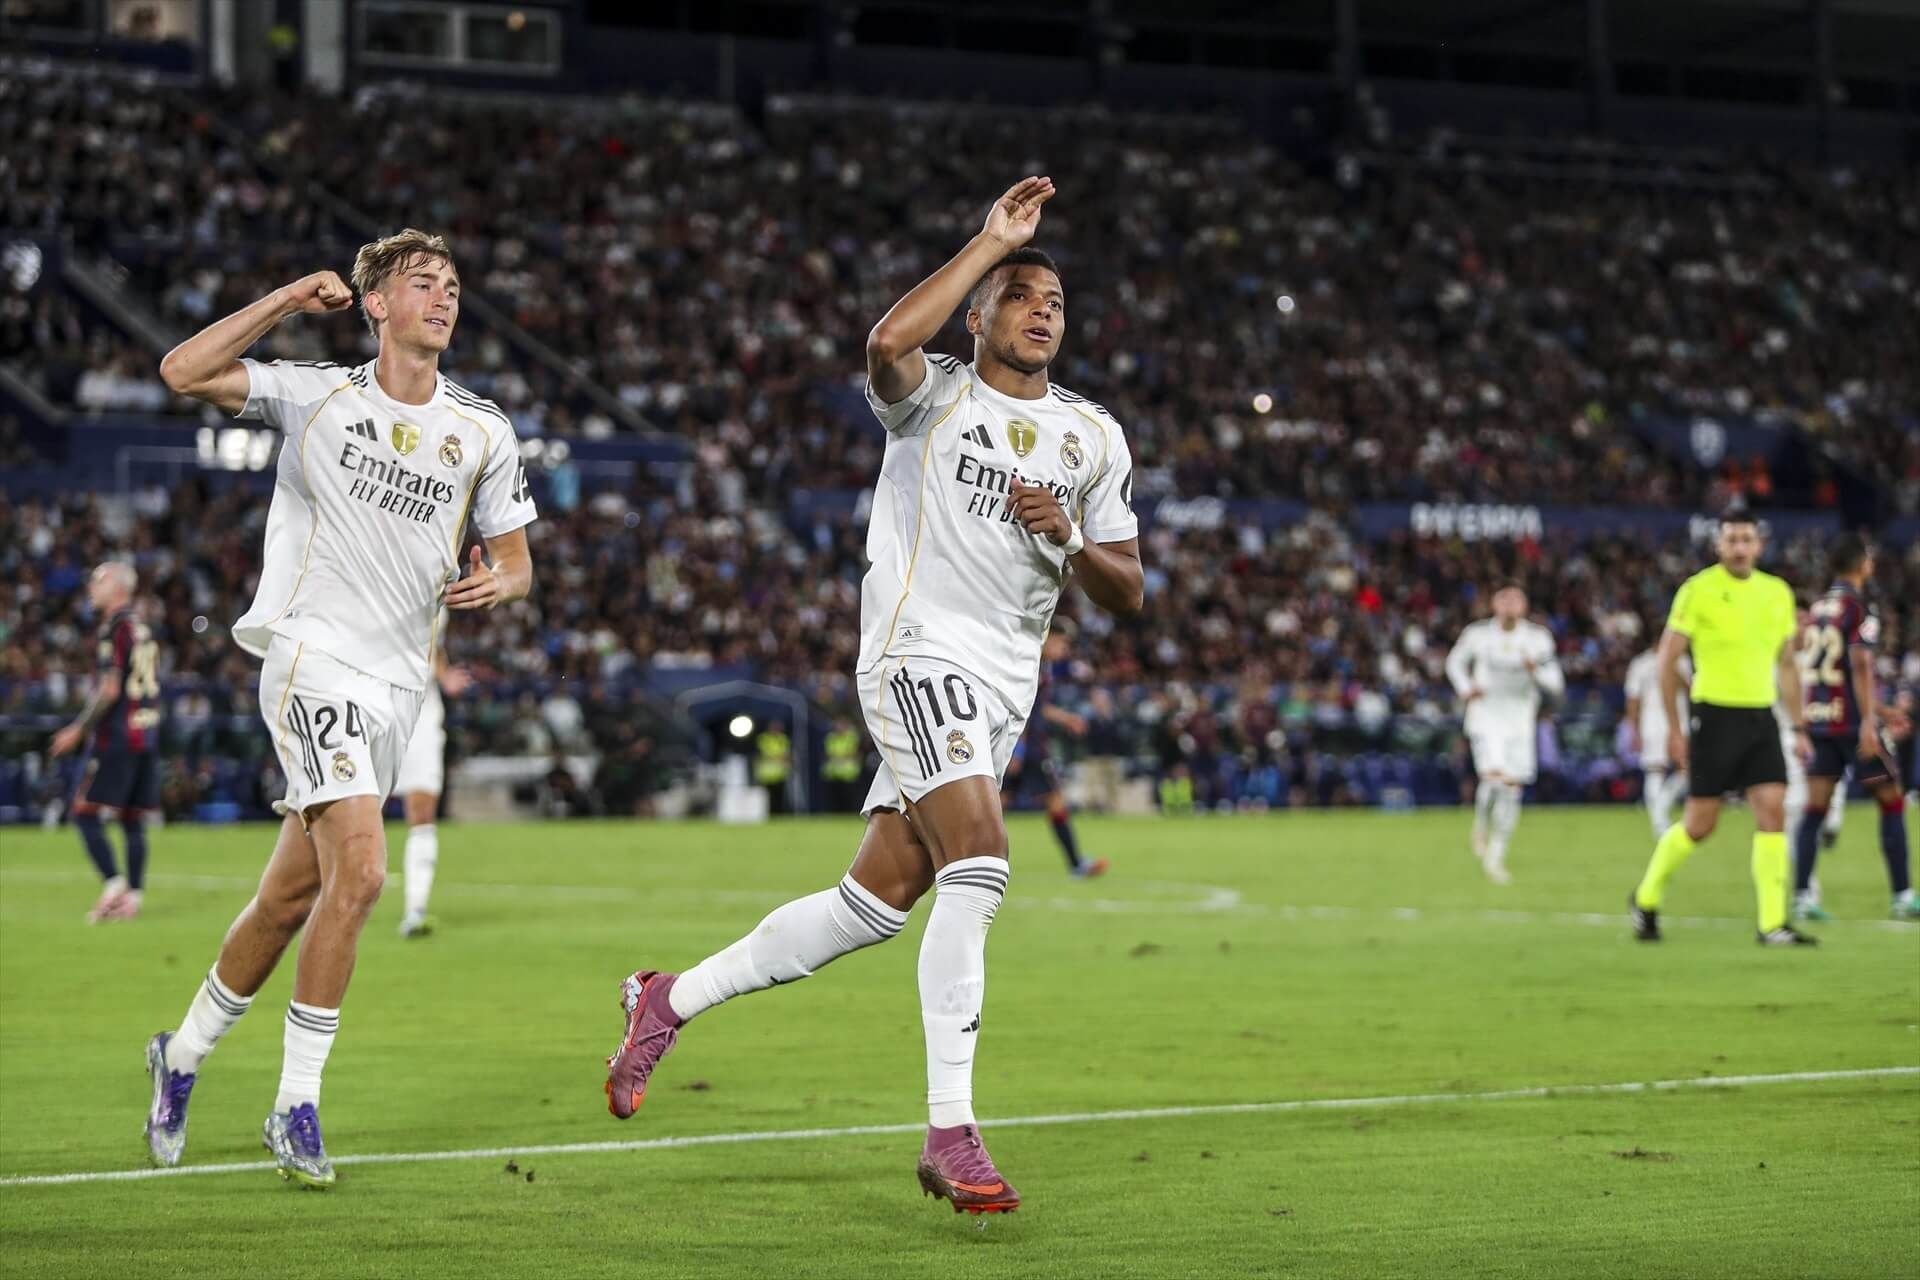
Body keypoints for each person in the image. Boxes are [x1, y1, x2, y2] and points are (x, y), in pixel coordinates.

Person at [602, 176, 1144, 1216]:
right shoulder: (937, 392)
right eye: (1020, 293)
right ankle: (951, 1129)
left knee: (871, 906)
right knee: (979, 866)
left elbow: (1127, 590)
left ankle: (665, 998)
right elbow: (884, 342)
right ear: (980, 309)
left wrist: (1067, 536)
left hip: (1002, 685)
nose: (1041, 309)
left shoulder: (1094, 438)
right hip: (915, 653)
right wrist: (989, 242)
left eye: (1056, 300)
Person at [142, 229, 537, 1186]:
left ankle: (181, 1057)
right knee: (361, 872)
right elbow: (183, 370)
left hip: (399, 686)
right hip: (311, 659)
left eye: (452, 283)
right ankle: (297, 1106)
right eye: (422, 283)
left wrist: (503, 586)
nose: (444, 297)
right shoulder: (319, 396)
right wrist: (284, 298)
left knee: (289, 900)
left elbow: (518, 563)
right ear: (376, 304)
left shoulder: (482, 428)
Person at [1629, 510, 1812, 946]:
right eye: (1731, 540)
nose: (1740, 547)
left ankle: (1772, 924)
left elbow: (1786, 665)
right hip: (1713, 716)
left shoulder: (1777, 593)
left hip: (1761, 716)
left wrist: (1799, 724)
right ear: (1719, 546)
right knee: (1699, 824)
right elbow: (1666, 660)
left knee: (1773, 811)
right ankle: (1646, 897)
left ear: (1759, 545)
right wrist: (1676, 729)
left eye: (1747, 539)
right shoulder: (1698, 590)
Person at [1792, 536, 1917, 921]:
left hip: (1821, 719)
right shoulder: (1859, 607)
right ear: (1862, 564)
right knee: (1892, 800)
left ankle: (1802, 897)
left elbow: (1835, 675)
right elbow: (1860, 665)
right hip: (1851, 726)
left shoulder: (1817, 609)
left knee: (1814, 810)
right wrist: (1869, 721)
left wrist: (1879, 709)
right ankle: (1902, 895)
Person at [48, 561, 163, 922]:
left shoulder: (114, 628)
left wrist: (78, 730)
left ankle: (114, 886)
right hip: (146, 733)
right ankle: (135, 897)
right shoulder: (143, 627)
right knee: (132, 819)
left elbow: (110, 688)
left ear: (117, 587)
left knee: (83, 812)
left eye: (97, 581)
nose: (91, 588)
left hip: (117, 737)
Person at [1444, 584, 1563, 885]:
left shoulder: (1537, 639)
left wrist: (1534, 670)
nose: (1510, 604)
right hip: (1486, 715)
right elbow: (1454, 662)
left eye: (1516, 599)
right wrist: (1465, 687)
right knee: (1495, 778)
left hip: (1520, 720)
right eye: (1504, 598)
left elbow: (1556, 684)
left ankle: (1496, 856)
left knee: (1512, 788)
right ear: (1494, 603)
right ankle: (1482, 823)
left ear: (1524, 605)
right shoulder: (1478, 634)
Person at [1002, 625, 1108, 878]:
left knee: (997, 804)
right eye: (1062, 643)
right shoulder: (1029, 665)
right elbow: (1020, 708)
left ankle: (958, 859)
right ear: (1047, 638)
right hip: (1029, 749)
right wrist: (1019, 749)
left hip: (1023, 745)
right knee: (1054, 800)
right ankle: (1076, 864)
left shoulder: (1039, 666)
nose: (1064, 650)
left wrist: (1066, 718)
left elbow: (1039, 708)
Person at [393, 643, 474, 939]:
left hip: (422, 709)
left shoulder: (442, 595)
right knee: (348, 807)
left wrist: (443, 674)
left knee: (423, 811)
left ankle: (415, 909)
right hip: (370, 699)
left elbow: (435, 642)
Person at [1623, 639, 1690, 839]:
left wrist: (1672, 668)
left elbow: (1689, 689)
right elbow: (1633, 699)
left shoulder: (1682, 661)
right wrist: (1633, 729)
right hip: (1652, 722)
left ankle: (1660, 809)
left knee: (1686, 769)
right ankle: (1659, 822)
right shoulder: (1641, 664)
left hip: (1678, 720)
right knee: (1655, 769)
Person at [821, 717, 866, 814]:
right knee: (835, 799)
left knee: (850, 798)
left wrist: (840, 757)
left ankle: (851, 814)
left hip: (850, 773)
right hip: (834, 773)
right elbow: (827, 753)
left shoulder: (853, 737)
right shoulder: (831, 737)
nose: (839, 727)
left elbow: (857, 753)